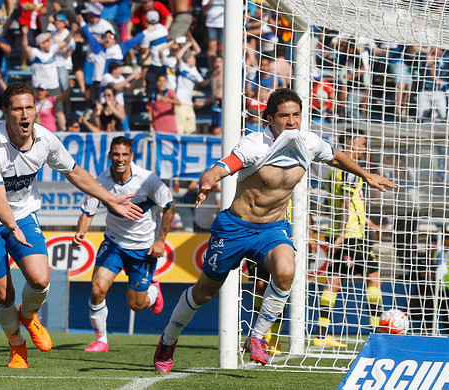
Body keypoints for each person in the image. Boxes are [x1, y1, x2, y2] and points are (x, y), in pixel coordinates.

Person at [153, 88, 395, 372]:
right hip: (235, 228)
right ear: (269, 118)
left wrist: (366, 175)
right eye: (284, 116)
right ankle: (168, 340)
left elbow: (336, 156)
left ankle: (257, 337)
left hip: (272, 229)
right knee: (204, 293)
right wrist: (208, 180)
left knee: (286, 270)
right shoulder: (255, 145)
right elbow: (222, 167)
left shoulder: (309, 142)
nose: (291, 121)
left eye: (296, 115)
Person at [0, 82, 142, 369]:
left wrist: (111, 199)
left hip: (22, 214)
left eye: (29, 108)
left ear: (36, 110)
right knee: (3, 292)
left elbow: (75, 172)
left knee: (40, 279)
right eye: (17, 109)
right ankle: (17, 345)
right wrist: (10, 225)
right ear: (6, 112)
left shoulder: (45, 139)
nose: (24, 115)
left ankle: (30, 315)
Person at [73, 136, 174, 352]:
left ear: (131, 157)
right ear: (110, 155)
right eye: (116, 154)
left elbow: (169, 206)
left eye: (124, 155)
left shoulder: (148, 180)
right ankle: (101, 341)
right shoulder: (100, 181)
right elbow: (88, 211)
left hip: (143, 248)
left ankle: (154, 290)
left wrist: (160, 241)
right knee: (97, 289)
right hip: (114, 244)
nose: (120, 159)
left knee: (136, 305)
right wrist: (81, 232)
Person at [313, 128, 383, 348]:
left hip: (342, 230)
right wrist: (344, 234)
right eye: (361, 144)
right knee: (373, 277)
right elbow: (344, 201)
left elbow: (351, 201)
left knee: (334, 280)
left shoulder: (333, 168)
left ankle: (322, 333)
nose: (363, 149)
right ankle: (376, 331)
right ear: (351, 144)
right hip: (351, 235)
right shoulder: (350, 168)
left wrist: (369, 223)